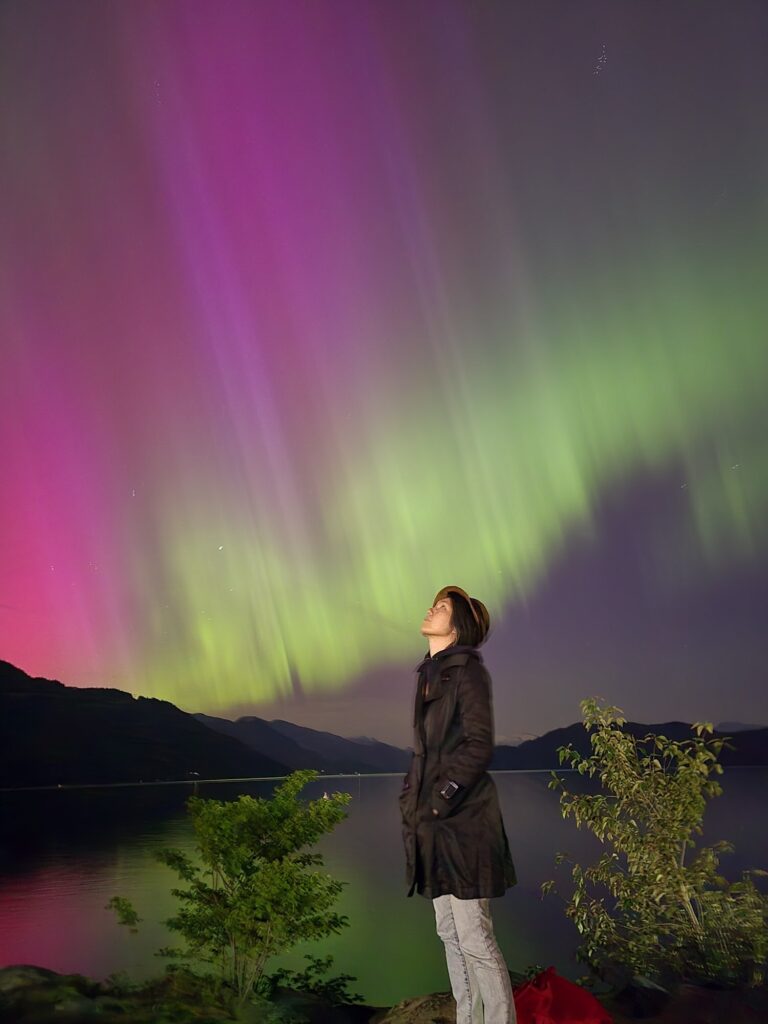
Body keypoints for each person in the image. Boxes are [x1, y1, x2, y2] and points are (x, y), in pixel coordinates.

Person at [399, 585, 518, 1024]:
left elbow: (477, 746)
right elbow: (428, 753)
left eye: (443, 607)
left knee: (474, 935)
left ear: (458, 626)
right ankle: (468, 1018)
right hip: (434, 823)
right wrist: (411, 794)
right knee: (448, 931)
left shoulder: (468, 672)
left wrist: (438, 797)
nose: (432, 608)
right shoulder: (430, 674)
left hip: (465, 822)